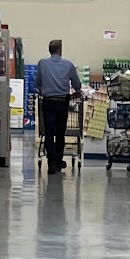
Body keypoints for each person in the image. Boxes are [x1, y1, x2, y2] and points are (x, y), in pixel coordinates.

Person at [36, 38, 82, 173]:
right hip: (62, 102)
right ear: (60, 50)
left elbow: (37, 83)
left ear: (49, 50)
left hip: (48, 102)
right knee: (60, 133)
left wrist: (43, 90)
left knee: (49, 132)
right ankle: (58, 161)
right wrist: (77, 92)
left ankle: (51, 163)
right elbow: (77, 85)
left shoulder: (42, 64)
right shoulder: (68, 65)